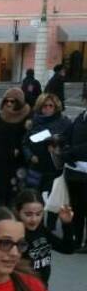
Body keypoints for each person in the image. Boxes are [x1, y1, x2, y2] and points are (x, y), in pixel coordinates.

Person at [22, 93, 69, 201]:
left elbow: (68, 143)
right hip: (36, 167)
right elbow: (25, 142)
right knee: (33, 198)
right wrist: (30, 156)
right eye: (45, 106)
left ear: (56, 107)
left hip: (54, 168)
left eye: (50, 106)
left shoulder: (64, 123)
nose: (47, 108)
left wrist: (58, 149)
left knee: (53, 200)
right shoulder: (34, 122)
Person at [0, 88, 29, 208]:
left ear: (19, 102)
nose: (9, 104)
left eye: (13, 101)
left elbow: (27, 138)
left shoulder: (26, 117)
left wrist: (18, 149)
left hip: (16, 160)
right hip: (0, 158)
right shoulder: (0, 116)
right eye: (7, 101)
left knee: (14, 192)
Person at [59, 106, 87, 251]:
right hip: (74, 172)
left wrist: (70, 152)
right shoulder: (80, 117)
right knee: (77, 207)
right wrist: (59, 142)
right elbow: (67, 135)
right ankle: (77, 240)